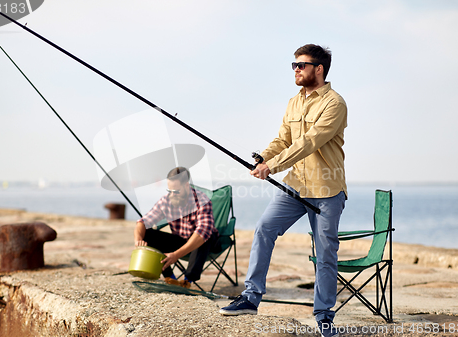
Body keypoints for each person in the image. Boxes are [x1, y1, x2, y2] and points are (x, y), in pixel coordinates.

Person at [219, 44, 347, 337]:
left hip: (327, 189)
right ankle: (251, 298)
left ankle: (325, 316)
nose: (296, 69)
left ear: (319, 69)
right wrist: (265, 158)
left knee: (325, 252)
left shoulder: (335, 103)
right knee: (264, 228)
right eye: (294, 65)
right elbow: (284, 139)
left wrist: (272, 167)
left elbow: (308, 143)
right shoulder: (294, 102)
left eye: (302, 64)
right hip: (295, 186)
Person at [134, 167, 218, 288]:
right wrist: (138, 240)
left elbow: (202, 232)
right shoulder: (166, 201)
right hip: (180, 240)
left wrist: (176, 255)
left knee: (204, 237)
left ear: (186, 186)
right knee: (146, 233)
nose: (172, 194)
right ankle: (170, 277)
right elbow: (142, 222)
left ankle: (187, 280)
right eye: (170, 190)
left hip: (204, 243)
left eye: (176, 191)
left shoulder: (202, 200)